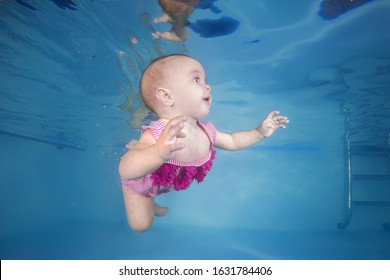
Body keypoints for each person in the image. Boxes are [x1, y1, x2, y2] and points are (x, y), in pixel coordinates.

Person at [119, 54, 289, 232]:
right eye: (196, 79)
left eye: (205, 80)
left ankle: (151, 204)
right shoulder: (158, 135)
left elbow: (232, 141)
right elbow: (126, 169)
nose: (207, 86)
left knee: (146, 215)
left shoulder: (206, 132)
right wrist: (158, 152)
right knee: (141, 226)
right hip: (141, 185)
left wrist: (258, 133)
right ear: (167, 96)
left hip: (163, 184)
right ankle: (147, 203)